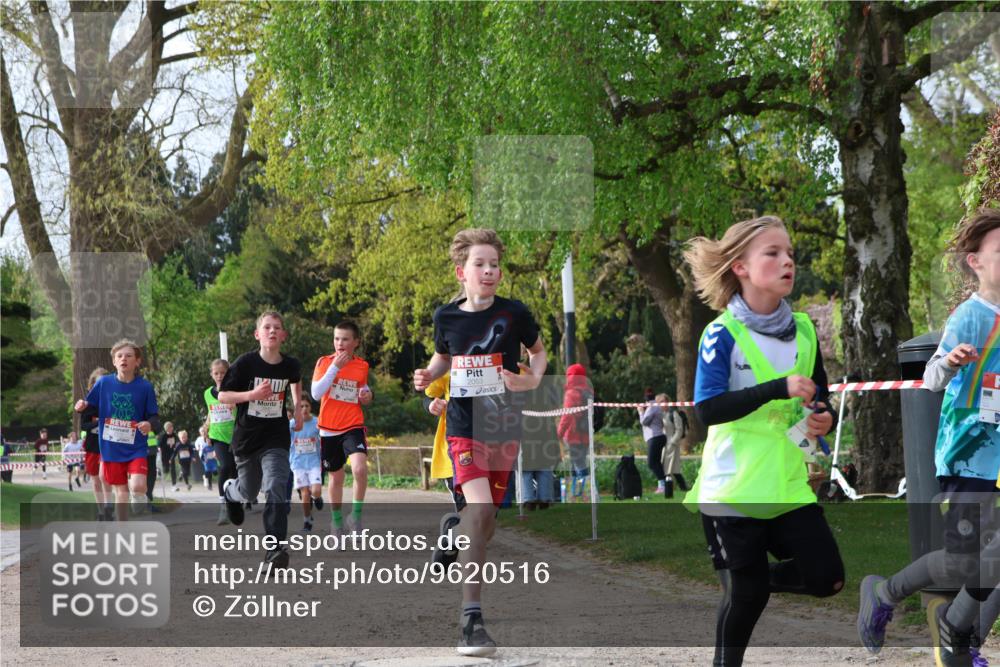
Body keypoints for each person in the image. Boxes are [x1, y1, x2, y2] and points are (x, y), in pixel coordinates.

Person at [682, 215, 843, 667]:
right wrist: (776, 388)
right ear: (740, 267)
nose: (787, 260)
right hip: (732, 489)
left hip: (788, 484)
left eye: (789, 252)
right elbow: (708, 410)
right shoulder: (720, 334)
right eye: (772, 253)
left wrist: (822, 418)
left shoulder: (807, 330)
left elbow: (819, 394)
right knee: (748, 599)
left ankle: (745, 577)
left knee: (826, 579)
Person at [857, 208, 1000, 667]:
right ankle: (885, 592)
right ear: (975, 262)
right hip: (969, 458)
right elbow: (932, 378)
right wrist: (953, 360)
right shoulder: (970, 316)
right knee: (966, 565)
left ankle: (962, 636)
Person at [413, 228, 547, 657]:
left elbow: (539, 353)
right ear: (461, 272)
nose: (489, 271)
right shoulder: (445, 317)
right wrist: (427, 375)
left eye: (494, 265)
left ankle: (454, 532)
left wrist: (530, 379)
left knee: (485, 525)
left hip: (503, 427)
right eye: (479, 264)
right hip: (464, 427)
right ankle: (472, 621)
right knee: (481, 508)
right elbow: (444, 358)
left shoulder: (515, 313)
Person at [219, 311, 302, 569]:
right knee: (249, 491)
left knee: (276, 484)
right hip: (247, 438)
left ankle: (275, 549)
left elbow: (296, 383)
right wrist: (252, 394)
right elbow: (223, 396)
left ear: (284, 335)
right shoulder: (245, 364)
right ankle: (230, 492)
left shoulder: (291, 365)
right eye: (267, 327)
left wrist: (297, 408)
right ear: (258, 334)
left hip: (275, 437)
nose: (272, 331)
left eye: (277, 327)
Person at [74, 339, 160, 521]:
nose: (124, 359)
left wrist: (149, 424)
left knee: (137, 486)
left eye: (129, 356)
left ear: (137, 361)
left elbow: (154, 416)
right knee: (120, 490)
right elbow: (91, 408)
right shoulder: (104, 383)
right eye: (119, 356)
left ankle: (139, 496)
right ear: (114, 361)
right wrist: (82, 405)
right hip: (110, 447)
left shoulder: (145, 387)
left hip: (135, 445)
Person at [311, 320, 373, 538]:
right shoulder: (324, 362)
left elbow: (362, 389)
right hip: (328, 428)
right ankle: (337, 522)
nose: (340, 343)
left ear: (355, 342)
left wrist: (367, 395)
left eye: (345, 339)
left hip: (353, 424)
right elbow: (316, 394)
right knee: (336, 478)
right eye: (337, 338)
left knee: (359, 468)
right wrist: (335, 367)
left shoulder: (362, 365)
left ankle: (355, 517)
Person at [205, 359, 238, 525]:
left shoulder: (236, 391)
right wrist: (205, 428)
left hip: (236, 436)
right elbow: (210, 413)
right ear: (211, 374)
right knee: (224, 466)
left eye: (222, 373)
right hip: (217, 436)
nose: (219, 376)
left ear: (228, 373)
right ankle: (223, 507)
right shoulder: (207, 393)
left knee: (234, 471)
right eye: (216, 373)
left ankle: (234, 504)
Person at [557, 363, 592, 501]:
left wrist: (558, 433)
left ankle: (584, 493)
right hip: (585, 434)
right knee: (580, 462)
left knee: (577, 464)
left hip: (573, 435)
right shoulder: (588, 391)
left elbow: (567, 416)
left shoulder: (571, 393)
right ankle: (578, 493)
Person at [81, 367, 111, 518]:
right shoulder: (87, 405)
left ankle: (108, 507)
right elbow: (83, 426)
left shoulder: (113, 401)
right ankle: (100, 510)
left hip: (108, 446)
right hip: (92, 446)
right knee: (95, 479)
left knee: (105, 477)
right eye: (97, 384)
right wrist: (98, 423)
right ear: (92, 385)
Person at [289, 401, 323, 533]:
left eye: (306, 406)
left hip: (314, 462)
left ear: (310, 407)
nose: (304, 409)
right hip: (298, 463)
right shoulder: (292, 424)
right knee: (305, 494)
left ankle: (317, 497)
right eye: (301, 406)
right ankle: (307, 520)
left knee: (315, 491)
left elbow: (324, 438)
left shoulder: (317, 422)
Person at [638, 388, 667, 496]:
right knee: (657, 463)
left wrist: (641, 412)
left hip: (655, 437)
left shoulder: (652, 406)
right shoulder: (655, 406)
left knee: (651, 463)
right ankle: (664, 485)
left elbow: (644, 422)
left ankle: (662, 485)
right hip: (657, 437)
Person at [661, 396, 690, 497]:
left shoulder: (673, 413)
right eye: (659, 402)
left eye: (663, 401)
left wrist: (673, 442)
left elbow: (679, 429)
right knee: (670, 467)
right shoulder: (661, 414)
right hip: (663, 443)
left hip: (672, 443)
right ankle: (681, 487)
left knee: (671, 468)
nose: (661, 404)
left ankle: (675, 487)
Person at [157, 421, 178, 489]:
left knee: (173, 469)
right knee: (166, 470)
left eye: (172, 426)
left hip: (171, 454)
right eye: (170, 427)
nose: (172, 428)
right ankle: (158, 470)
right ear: (167, 428)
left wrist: (175, 446)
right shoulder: (163, 436)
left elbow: (177, 442)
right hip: (164, 455)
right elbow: (159, 445)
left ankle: (174, 485)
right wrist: (161, 447)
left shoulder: (174, 435)